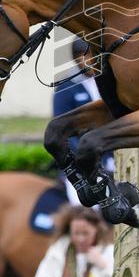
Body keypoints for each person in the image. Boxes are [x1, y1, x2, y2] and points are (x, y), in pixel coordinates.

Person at [52, 37, 113, 206]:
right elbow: (63, 130)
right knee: (83, 204)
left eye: (92, 56)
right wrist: (86, 157)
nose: (88, 61)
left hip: (111, 157)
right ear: (76, 58)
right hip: (82, 162)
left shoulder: (109, 81)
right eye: (83, 57)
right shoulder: (66, 88)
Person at [30, 206, 114, 277]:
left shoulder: (109, 252)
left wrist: (104, 266)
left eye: (85, 233)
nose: (81, 239)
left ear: (96, 230)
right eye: (76, 233)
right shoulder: (57, 252)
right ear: (70, 231)